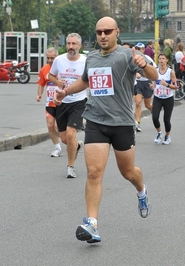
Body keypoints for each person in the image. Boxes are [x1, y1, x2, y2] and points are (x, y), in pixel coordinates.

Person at [54, 16, 158, 243]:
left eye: (107, 31)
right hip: (95, 121)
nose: (103, 35)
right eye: (99, 32)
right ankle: (92, 224)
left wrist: (145, 65)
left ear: (116, 32)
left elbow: (154, 76)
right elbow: (86, 81)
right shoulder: (91, 57)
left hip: (121, 123)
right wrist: (66, 92)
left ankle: (141, 190)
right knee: (93, 173)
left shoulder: (127, 55)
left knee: (128, 172)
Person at [48, 33, 86, 178]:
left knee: (71, 134)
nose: (71, 47)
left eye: (74, 44)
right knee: (64, 139)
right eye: (69, 44)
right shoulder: (59, 60)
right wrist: (57, 82)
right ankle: (76, 146)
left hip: (79, 101)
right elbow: (50, 76)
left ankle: (70, 167)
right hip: (62, 102)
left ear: (79, 46)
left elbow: (89, 80)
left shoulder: (85, 61)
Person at [36, 47, 62, 157]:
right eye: (48, 58)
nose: (50, 60)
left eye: (52, 58)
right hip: (50, 103)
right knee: (51, 126)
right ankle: (57, 148)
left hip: (62, 103)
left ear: (57, 57)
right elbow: (41, 83)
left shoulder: (63, 68)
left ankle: (73, 144)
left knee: (62, 129)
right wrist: (39, 94)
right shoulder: (44, 69)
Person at [152, 53, 177, 144]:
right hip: (157, 97)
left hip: (168, 99)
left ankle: (167, 136)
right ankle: (159, 132)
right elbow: (154, 82)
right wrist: (152, 86)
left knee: (166, 119)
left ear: (167, 60)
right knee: (154, 117)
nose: (161, 60)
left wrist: (167, 84)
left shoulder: (171, 72)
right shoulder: (155, 71)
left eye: (163, 58)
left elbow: (176, 86)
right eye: (160, 59)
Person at [134, 42, 156, 132]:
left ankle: (155, 111)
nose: (138, 51)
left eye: (140, 49)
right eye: (137, 49)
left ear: (143, 50)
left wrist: (153, 83)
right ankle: (137, 123)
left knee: (147, 105)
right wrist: (136, 73)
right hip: (138, 83)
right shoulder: (133, 59)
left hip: (147, 83)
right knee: (138, 103)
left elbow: (155, 71)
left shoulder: (148, 59)